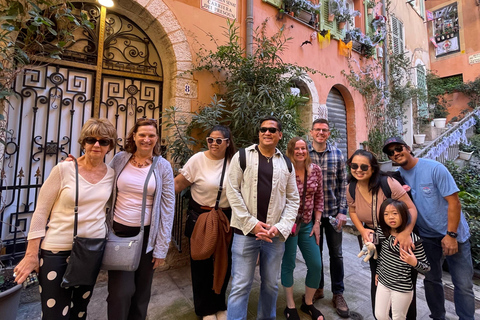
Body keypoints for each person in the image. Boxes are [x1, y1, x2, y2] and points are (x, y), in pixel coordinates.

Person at [14, 118, 117, 319]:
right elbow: (41, 211)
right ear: (83, 143)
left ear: (110, 146)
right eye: (91, 140)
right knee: (55, 313)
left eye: (103, 141)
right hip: (56, 251)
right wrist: (31, 254)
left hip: (91, 250)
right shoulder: (63, 169)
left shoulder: (112, 174)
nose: (96, 145)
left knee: (79, 310)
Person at [383, 137, 475, 320]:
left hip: (454, 234)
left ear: (408, 148)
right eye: (390, 152)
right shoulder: (397, 177)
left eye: (398, 148)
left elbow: (454, 203)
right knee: (432, 280)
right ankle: (438, 317)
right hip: (426, 237)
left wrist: (451, 234)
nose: (395, 153)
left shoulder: (434, 168)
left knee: (463, 284)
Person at [226, 116, 299, 320]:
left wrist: (281, 227)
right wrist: (252, 224)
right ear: (259, 133)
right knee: (240, 285)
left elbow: (293, 199)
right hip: (244, 233)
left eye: (272, 130)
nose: (267, 132)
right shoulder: (242, 156)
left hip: (274, 236)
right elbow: (232, 192)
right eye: (263, 129)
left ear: (280, 135)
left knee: (270, 285)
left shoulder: (287, 163)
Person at [106, 117, 175, 320]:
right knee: (120, 293)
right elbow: (101, 178)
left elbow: (167, 207)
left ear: (157, 139)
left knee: (142, 293)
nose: (146, 139)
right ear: (134, 136)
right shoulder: (120, 159)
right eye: (142, 135)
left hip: (147, 237)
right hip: (119, 234)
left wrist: (162, 247)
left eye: (151, 135)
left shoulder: (163, 166)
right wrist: (78, 165)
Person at [346, 149, 418, 318]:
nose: (358, 170)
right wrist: (362, 230)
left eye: (364, 167)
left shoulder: (388, 183)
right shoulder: (351, 187)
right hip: (374, 240)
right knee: (378, 281)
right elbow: (353, 210)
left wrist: (406, 233)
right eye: (354, 165)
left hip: (397, 237)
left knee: (403, 283)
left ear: (373, 168)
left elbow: (411, 208)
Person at [174, 125, 236, 320]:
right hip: (200, 218)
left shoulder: (234, 162)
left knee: (223, 263)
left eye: (219, 140)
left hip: (225, 219)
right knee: (200, 265)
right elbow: (177, 184)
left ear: (227, 143)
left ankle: (219, 305)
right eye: (210, 140)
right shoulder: (197, 160)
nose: (214, 144)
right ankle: (204, 309)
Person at [308, 118, 349, 317]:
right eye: (317, 129)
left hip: (333, 214)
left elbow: (343, 185)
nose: (321, 133)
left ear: (329, 133)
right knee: (316, 255)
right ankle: (318, 288)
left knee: (337, 254)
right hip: (311, 215)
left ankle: (338, 293)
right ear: (311, 132)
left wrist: (343, 211)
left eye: (324, 130)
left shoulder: (338, 154)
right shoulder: (303, 154)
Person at [281, 137, 325, 320]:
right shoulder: (284, 170)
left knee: (316, 264)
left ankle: (307, 303)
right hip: (288, 226)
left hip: (307, 224)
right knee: (289, 264)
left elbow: (319, 198)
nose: (300, 151)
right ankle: (290, 305)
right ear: (290, 151)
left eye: (304, 148)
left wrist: (317, 223)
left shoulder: (315, 171)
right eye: (296, 148)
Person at [375, 199, 430, 320]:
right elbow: (382, 254)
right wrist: (378, 271)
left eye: (395, 213)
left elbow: (426, 268)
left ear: (404, 215)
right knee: (380, 315)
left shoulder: (413, 240)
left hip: (402, 287)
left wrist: (414, 262)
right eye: (386, 214)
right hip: (383, 282)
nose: (391, 217)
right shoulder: (383, 232)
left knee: (398, 317)